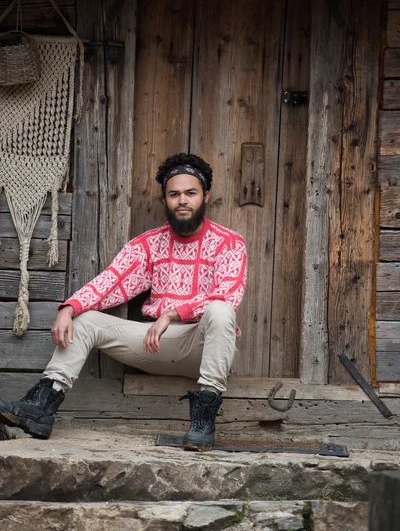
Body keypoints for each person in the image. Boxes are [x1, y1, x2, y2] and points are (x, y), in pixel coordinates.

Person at [0, 153, 247, 451]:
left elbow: (228, 295)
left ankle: (204, 423)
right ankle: (42, 406)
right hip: (155, 345)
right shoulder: (149, 243)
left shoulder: (230, 242)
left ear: (205, 196)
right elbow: (112, 281)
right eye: (174, 194)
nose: (182, 200)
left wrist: (171, 314)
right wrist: (70, 306)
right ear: (165, 199)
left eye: (190, 193)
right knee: (85, 319)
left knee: (220, 311)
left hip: (203, 347)